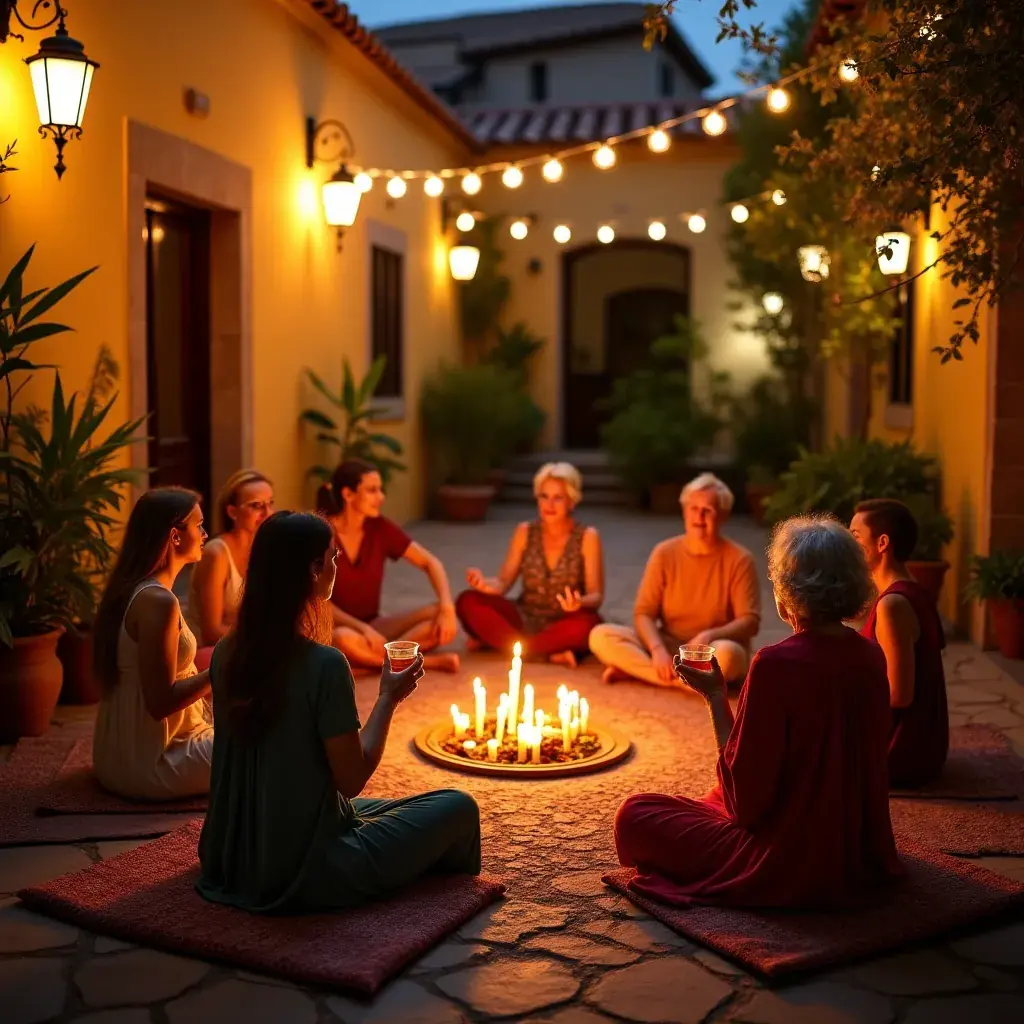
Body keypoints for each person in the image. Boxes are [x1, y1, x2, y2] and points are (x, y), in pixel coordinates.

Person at [196, 511, 481, 914]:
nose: (336, 566)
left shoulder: (227, 651)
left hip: (229, 853)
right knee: (458, 807)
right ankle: (426, 896)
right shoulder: (324, 665)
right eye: (332, 557)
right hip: (306, 867)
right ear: (313, 570)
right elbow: (351, 778)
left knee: (403, 807)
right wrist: (387, 699)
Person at [614, 516, 903, 909]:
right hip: (852, 846)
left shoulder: (776, 664)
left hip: (783, 856)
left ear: (788, 592)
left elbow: (745, 803)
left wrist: (716, 697)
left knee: (635, 815)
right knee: (706, 799)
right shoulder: (871, 656)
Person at [91, 487, 213, 800]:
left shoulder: (139, 591)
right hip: (152, 763)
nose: (205, 533)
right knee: (271, 745)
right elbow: (161, 703)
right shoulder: (157, 602)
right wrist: (223, 667)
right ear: (175, 536)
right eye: (198, 525)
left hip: (121, 758)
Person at [589, 473, 760, 687]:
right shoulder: (664, 553)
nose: (699, 517)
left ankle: (644, 672)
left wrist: (708, 636)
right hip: (671, 646)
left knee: (726, 657)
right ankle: (685, 682)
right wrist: (657, 650)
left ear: (723, 516)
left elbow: (749, 621)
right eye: (693, 509)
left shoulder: (739, 559)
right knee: (601, 635)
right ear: (684, 511)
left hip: (713, 649)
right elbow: (643, 613)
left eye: (707, 510)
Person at [317, 459, 460, 673]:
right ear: (348, 495)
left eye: (380, 490)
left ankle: (373, 662)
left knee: (440, 616)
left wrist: (448, 608)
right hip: (335, 630)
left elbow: (431, 563)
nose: (381, 497)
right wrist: (362, 629)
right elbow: (318, 601)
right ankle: (418, 663)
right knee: (344, 638)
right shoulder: (321, 533)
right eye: (372, 490)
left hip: (374, 625)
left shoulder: (379, 528)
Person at [456, 462, 604, 667]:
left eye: (558, 498)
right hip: (524, 618)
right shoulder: (524, 531)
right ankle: (542, 652)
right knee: (467, 601)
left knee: (589, 626)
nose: (549, 505)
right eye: (544, 496)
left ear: (572, 502)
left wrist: (580, 603)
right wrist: (484, 584)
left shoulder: (588, 536)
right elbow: (503, 582)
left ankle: (511, 647)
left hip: (565, 620)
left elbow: (596, 596)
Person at [851, 498, 949, 788]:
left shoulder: (894, 604)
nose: (848, 544)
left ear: (882, 543)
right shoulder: (913, 590)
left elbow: (899, 695)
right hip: (922, 747)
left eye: (855, 537)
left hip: (901, 753)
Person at [188, 469, 274, 671]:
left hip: (250, 644)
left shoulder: (267, 548)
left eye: (270, 503)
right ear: (232, 512)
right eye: (256, 506)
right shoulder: (217, 553)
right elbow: (211, 630)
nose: (267, 513)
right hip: (211, 650)